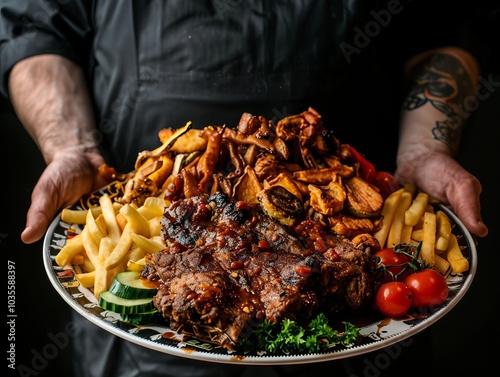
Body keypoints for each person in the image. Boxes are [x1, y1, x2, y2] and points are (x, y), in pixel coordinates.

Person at [0, 1, 489, 376]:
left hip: (366, 340)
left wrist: (427, 147)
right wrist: (70, 147)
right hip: (138, 350)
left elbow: (442, 31)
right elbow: (38, 30)